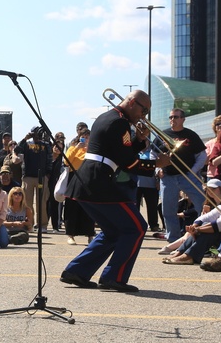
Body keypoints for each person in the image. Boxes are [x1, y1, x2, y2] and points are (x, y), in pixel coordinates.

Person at [60, 90, 170, 292]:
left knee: (112, 232)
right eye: (143, 110)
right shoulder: (119, 123)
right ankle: (114, 277)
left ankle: (77, 271)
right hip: (100, 182)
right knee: (137, 227)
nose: (143, 116)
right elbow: (127, 162)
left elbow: (119, 152)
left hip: (91, 181)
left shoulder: (109, 117)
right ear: (131, 102)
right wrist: (156, 163)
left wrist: (138, 140)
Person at [162, 177, 221, 265]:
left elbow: (220, 225)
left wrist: (198, 229)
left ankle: (188, 256)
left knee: (211, 231)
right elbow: (205, 217)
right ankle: (181, 253)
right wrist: (196, 225)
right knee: (205, 226)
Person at [155, 108, 206, 243]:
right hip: (168, 177)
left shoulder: (191, 135)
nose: (173, 120)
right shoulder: (162, 134)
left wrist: (192, 171)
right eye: (171, 117)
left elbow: (202, 155)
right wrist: (157, 169)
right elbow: (153, 155)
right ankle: (173, 240)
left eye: (176, 117)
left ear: (183, 119)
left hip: (188, 176)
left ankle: (203, 235)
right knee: (168, 209)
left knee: (202, 204)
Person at [63, 125, 95, 245]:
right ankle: (70, 235)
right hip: (74, 178)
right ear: (79, 137)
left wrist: (88, 148)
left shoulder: (93, 148)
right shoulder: (73, 147)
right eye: (83, 137)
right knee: (72, 208)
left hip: (88, 180)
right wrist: (77, 147)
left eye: (87, 137)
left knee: (89, 208)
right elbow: (66, 161)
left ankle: (90, 235)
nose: (85, 139)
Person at [15, 127, 51, 230]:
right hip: (28, 177)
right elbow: (16, 150)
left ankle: (42, 225)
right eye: (35, 133)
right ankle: (29, 223)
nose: (37, 135)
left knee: (41, 202)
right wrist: (25, 139)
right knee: (28, 202)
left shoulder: (46, 145)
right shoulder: (26, 144)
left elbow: (49, 159)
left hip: (42, 177)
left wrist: (48, 174)